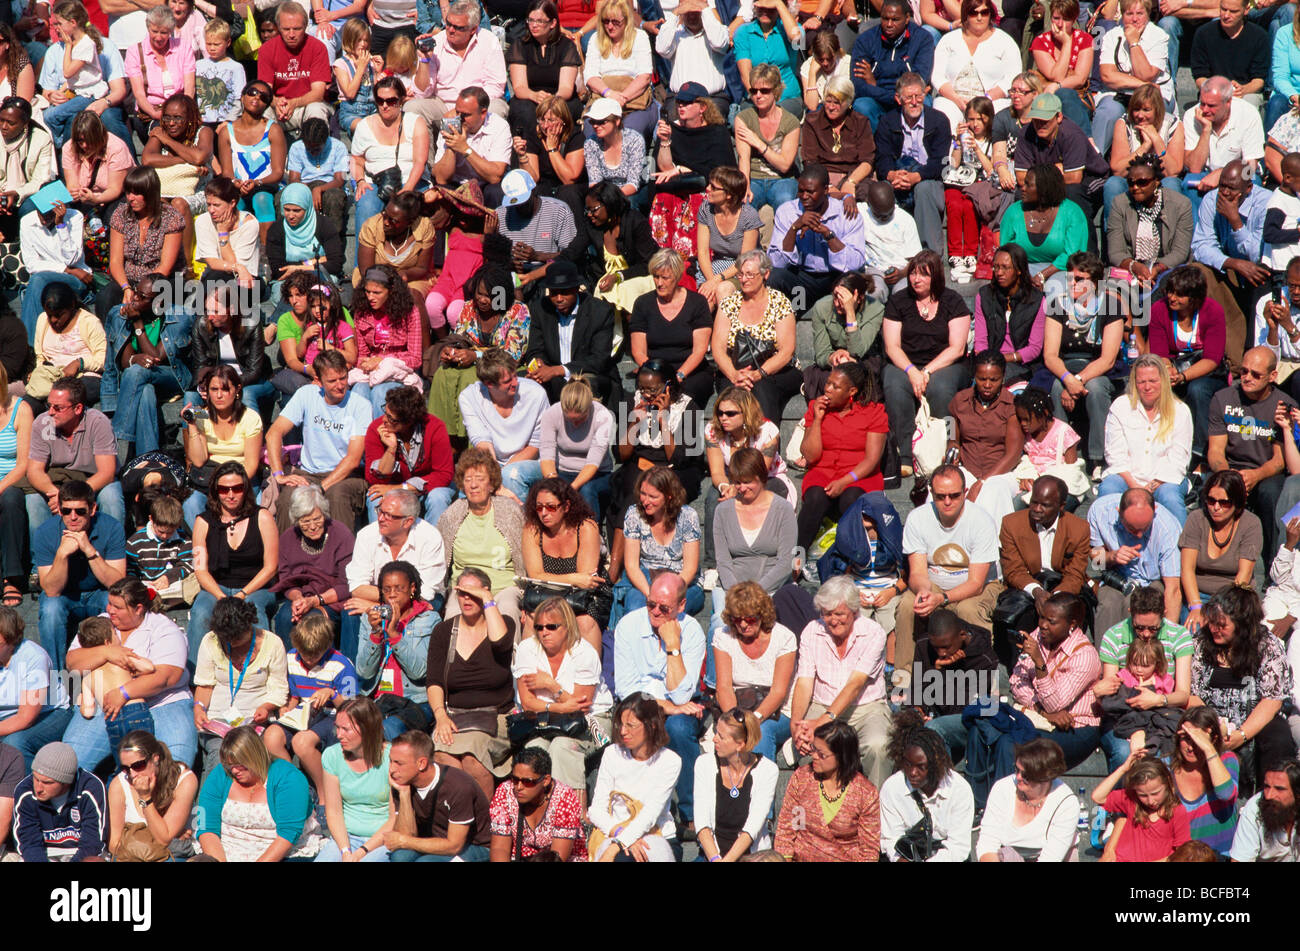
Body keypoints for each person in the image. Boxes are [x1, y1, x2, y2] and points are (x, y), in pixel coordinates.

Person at [63, 578, 197, 775]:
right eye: (109, 603)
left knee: (175, 769)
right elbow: (72, 662)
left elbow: (167, 676)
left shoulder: (164, 628)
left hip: (164, 703)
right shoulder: (100, 623)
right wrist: (107, 653)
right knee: (68, 765)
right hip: (105, 705)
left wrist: (124, 692)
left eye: (117, 606)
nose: (110, 610)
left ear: (139, 608)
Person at [611, 571, 705, 829]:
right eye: (650, 604)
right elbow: (627, 690)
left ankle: (691, 814)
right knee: (636, 722)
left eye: (664, 607)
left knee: (680, 727)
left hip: (677, 706)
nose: (655, 611)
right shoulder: (629, 626)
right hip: (638, 705)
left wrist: (673, 645)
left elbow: (682, 694)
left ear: (682, 606)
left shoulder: (692, 632)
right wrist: (667, 707)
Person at [894, 465, 1001, 676]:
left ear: (965, 491)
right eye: (941, 496)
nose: (948, 502)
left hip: (979, 586)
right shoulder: (918, 518)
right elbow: (917, 573)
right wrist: (925, 592)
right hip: (935, 581)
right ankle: (905, 677)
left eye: (954, 495)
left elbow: (976, 584)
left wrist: (941, 598)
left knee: (968, 610)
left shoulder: (981, 521)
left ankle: (982, 675)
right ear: (932, 494)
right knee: (909, 604)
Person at [1191, 586, 1296, 798]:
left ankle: (1268, 800)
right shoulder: (1201, 643)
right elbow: (1192, 693)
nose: (1213, 629)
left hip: (1255, 720)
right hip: (1210, 718)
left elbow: (1272, 700)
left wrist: (1241, 734)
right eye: (1212, 622)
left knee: (1279, 738)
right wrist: (1213, 725)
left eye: (1221, 625)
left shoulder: (1267, 645)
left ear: (1242, 624)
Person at [789, 575, 890, 787]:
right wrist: (796, 724)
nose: (833, 620)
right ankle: (816, 808)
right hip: (822, 703)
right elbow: (804, 681)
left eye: (839, 614)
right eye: (827, 614)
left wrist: (822, 721)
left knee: (878, 746)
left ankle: (877, 811)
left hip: (866, 707)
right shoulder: (812, 631)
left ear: (854, 611)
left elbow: (856, 684)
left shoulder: (873, 633)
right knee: (809, 744)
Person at [881, 250, 971, 476]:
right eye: (913, 273)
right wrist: (912, 371)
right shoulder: (898, 301)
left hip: (946, 363)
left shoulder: (953, 301)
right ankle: (904, 453)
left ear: (936, 277)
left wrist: (926, 371)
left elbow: (957, 348)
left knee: (940, 387)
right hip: (907, 362)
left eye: (923, 274)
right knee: (894, 382)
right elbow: (892, 346)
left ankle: (941, 450)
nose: (916, 279)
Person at [428, 569, 516, 799]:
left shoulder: (503, 624)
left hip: (495, 716)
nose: (466, 599)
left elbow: (501, 643)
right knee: (442, 758)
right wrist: (440, 716)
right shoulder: (443, 632)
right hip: (454, 716)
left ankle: (485, 827)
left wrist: (487, 599)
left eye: (472, 593)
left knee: (472, 758)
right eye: (461, 593)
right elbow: (435, 681)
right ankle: (460, 820)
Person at [511, 595, 611, 794]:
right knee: (534, 749)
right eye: (539, 627)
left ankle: (573, 813)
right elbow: (528, 703)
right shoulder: (527, 649)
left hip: (590, 720)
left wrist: (551, 685)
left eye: (551, 627)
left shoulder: (584, 653)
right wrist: (560, 706)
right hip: (544, 721)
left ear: (567, 626)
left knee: (562, 748)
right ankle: (538, 815)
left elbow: (581, 706)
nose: (544, 633)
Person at [266, 349, 372, 534]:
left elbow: (353, 459)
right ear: (319, 381)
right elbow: (273, 433)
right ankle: (285, 559)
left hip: (346, 475)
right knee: (288, 497)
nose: (340, 385)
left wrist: (320, 488)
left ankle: (343, 559)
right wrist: (279, 475)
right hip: (308, 472)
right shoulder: (307, 394)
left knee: (336, 495)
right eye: (332, 381)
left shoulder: (360, 405)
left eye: (343, 378)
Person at [1042, 252, 1126, 473]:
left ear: (1095, 282)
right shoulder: (1057, 304)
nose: (1072, 283)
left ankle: (1099, 460)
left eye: (1080, 279)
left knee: (1096, 387)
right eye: (1070, 277)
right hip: (1064, 366)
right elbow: (1050, 355)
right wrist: (1068, 379)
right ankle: (1060, 456)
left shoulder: (1111, 305)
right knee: (1056, 385)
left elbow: (1108, 359)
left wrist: (1077, 381)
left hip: (1098, 367)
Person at [1207, 346, 1294, 560]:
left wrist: (1256, 475)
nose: (1247, 378)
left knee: (1271, 493)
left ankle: (1273, 561)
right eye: (1244, 371)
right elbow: (1215, 451)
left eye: (1256, 374)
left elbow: (1279, 460)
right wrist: (1228, 476)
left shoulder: (1283, 404)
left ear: (1273, 376)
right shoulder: (1223, 398)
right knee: (1213, 489)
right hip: (1231, 467)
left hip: (1265, 471)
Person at [187, 462, 278, 663]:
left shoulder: (262, 517)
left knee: (253, 610)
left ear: (245, 489)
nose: (230, 495)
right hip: (216, 587)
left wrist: (242, 594)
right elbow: (200, 569)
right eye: (224, 489)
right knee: (202, 611)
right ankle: (195, 678)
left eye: (237, 488)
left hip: (255, 586)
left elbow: (271, 567)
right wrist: (221, 597)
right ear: (215, 491)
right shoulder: (203, 522)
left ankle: (264, 670)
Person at [996, 474, 1092, 660]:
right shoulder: (1011, 524)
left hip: (1062, 586)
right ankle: (1021, 667)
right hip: (1027, 585)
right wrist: (1038, 592)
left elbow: (1075, 574)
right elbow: (1013, 569)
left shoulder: (1078, 528)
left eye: (1045, 505)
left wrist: (1054, 600)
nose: (1036, 509)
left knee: (1064, 615)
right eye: (1034, 502)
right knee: (1024, 613)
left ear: (1061, 506)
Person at [33, 480, 125, 672]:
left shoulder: (112, 527)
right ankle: (58, 680)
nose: (73, 517)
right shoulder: (45, 533)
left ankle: (118, 672)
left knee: (120, 602)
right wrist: (61, 554)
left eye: (80, 511)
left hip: (99, 593)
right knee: (50, 609)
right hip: (65, 596)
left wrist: (89, 550)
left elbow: (117, 583)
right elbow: (51, 590)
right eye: (66, 511)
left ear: (92, 509)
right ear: (59, 510)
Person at [194, 725, 320, 861]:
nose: (235, 771)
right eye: (230, 766)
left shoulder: (288, 777)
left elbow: (288, 833)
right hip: (225, 851)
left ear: (256, 756)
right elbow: (206, 826)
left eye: (240, 764)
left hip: (280, 853)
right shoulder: (220, 775)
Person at [193, 597, 289, 774]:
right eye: (226, 639)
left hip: (254, 720)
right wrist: (199, 708)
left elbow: (279, 688)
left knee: (246, 749)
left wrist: (266, 707)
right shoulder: (210, 641)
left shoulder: (272, 644)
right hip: (218, 721)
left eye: (237, 638)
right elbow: (205, 685)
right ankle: (212, 801)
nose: (232, 643)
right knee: (220, 751)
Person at [103, 274, 195, 460]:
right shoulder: (118, 314)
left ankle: (117, 440)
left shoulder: (180, 317)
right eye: (136, 293)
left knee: (139, 371)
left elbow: (155, 358)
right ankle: (148, 461)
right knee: (145, 392)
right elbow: (121, 361)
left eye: (143, 297)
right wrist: (133, 359)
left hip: (172, 377)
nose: (135, 299)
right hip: (139, 379)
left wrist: (137, 325)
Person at [587, 693, 682, 862]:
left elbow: (650, 815)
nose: (623, 731)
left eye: (630, 725)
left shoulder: (670, 761)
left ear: (652, 725)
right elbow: (596, 810)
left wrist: (617, 846)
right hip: (614, 830)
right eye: (621, 725)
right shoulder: (612, 753)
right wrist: (620, 835)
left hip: (656, 834)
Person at [25, 377, 124, 536]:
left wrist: (71, 496)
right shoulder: (44, 423)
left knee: (111, 495)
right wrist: (56, 493)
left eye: (58, 408)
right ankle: (43, 558)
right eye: (49, 406)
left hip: (93, 481)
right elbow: (34, 471)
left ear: (77, 408)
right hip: (58, 480)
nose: (51, 412)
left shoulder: (98, 422)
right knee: (34, 500)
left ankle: (112, 553)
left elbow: (107, 473)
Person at [711, 250, 800, 425]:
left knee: (763, 389)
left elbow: (786, 351)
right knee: (731, 396)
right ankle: (729, 447)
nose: (743, 279)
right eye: (741, 274)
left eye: (750, 274)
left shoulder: (780, 302)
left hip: (774, 369)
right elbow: (718, 349)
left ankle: (765, 446)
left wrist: (757, 374)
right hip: (735, 368)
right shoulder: (729, 304)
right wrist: (734, 375)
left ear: (765, 274)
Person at [766, 164, 867, 315]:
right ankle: (792, 318)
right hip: (802, 283)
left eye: (810, 192)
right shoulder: (787, 211)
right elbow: (776, 263)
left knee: (852, 280)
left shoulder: (847, 213)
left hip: (835, 279)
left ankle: (847, 325)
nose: (804, 196)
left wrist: (828, 234)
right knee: (776, 277)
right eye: (801, 191)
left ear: (826, 190)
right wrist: (794, 228)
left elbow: (855, 263)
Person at [774, 719, 880, 862]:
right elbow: (787, 829)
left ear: (842, 756)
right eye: (814, 749)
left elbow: (869, 852)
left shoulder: (866, 793)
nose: (814, 756)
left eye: (822, 754)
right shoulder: (802, 778)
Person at [269, 485, 356, 653]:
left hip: (333, 599)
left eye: (317, 519)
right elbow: (286, 579)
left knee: (314, 620)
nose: (313, 526)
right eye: (305, 521)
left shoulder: (341, 534)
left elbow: (347, 584)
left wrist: (315, 601)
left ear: (324, 514)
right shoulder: (288, 537)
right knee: (286, 617)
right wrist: (298, 599)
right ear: (296, 520)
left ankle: (327, 671)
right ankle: (291, 669)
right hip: (304, 598)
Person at [384, 728, 492, 862]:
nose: (392, 769)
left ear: (421, 764)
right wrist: (404, 794)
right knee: (400, 857)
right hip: (432, 841)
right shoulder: (402, 781)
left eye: (399, 763)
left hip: (475, 847)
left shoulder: (458, 785)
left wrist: (404, 841)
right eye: (391, 761)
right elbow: (405, 836)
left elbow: (454, 846)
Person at [879, 711, 974, 862]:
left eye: (921, 766)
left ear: (936, 764)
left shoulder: (959, 789)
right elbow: (891, 839)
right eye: (908, 764)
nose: (912, 772)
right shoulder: (892, 788)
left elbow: (958, 848)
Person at [521, 480, 606, 648]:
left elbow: (586, 581)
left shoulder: (586, 527)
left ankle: (589, 673)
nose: (544, 513)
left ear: (566, 506)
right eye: (539, 507)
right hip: (546, 593)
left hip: (584, 597)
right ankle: (527, 672)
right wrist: (573, 578)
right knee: (532, 619)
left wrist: (575, 580)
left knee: (584, 622)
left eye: (551, 507)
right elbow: (535, 575)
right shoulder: (532, 529)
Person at [457, 348, 548, 503]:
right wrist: (492, 475)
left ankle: (523, 523)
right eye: (508, 381)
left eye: (515, 376)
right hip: (492, 461)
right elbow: (482, 441)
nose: (515, 383)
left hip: (531, 462)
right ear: (489, 384)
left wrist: (499, 476)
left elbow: (535, 446)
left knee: (512, 475)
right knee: (470, 485)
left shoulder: (535, 393)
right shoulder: (469, 397)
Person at [522, 260, 618, 405]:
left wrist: (558, 370)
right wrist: (538, 364)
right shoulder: (539, 309)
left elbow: (599, 360)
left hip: (590, 376)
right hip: (553, 379)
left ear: (576, 289)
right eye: (554, 293)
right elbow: (535, 349)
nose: (559, 299)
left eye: (565, 292)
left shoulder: (600, 311)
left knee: (584, 386)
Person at [179, 364, 263, 530]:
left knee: (258, 512)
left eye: (225, 390)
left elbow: (252, 465)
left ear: (237, 390)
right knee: (191, 503)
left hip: (243, 479)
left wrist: (229, 486)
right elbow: (198, 460)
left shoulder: (250, 418)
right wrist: (193, 425)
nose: (218, 395)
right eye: (213, 389)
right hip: (211, 479)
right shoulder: (201, 415)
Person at [628, 250, 714, 411]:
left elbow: (699, 350)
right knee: (645, 399)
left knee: (685, 399)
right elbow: (638, 351)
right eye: (656, 277)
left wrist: (678, 376)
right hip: (653, 371)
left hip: (690, 372)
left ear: (677, 276)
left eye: (665, 278)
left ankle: (683, 435)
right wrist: (657, 376)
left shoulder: (697, 303)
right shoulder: (643, 304)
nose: (659, 283)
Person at [692, 707, 779, 863]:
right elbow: (702, 823)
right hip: (712, 855)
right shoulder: (704, 764)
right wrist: (715, 859)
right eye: (716, 732)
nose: (714, 739)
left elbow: (752, 828)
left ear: (740, 745)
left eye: (721, 736)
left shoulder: (768, 770)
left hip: (750, 857)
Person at [1180, 470, 1261, 633]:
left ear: (1237, 503)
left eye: (1224, 502)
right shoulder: (1197, 519)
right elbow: (1187, 569)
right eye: (1211, 500)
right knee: (1194, 630)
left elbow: (1243, 577)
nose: (1216, 507)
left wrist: (1220, 610)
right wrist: (1196, 607)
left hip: (1234, 597)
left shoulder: (1251, 524)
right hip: (1197, 594)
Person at [313, 697, 393, 863]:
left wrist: (362, 852)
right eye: (337, 728)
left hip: (384, 839)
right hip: (346, 837)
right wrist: (345, 850)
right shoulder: (332, 755)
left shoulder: (392, 758)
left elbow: (395, 817)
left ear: (367, 729)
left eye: (346, 729)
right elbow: (334, 810)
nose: (339, 735)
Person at [946, 350, 1021, 526]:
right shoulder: (961, 399)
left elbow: (1013, 455)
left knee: (991, 492)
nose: (987, 384)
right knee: (944, 486)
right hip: (968, 468)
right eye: (982, 379)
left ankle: (993, 547)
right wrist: (952, 445)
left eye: (993, 380)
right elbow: (950, 422)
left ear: (1002, 378)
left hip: (1001, 473)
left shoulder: (1011, 405)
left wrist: (982, 482)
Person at [976, 737, 1081, 861]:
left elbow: (1051, 858)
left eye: (1026, 775)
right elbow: (987, 842)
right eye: (1017, 770)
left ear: (1045, 777)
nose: (1018, 777)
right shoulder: (1002, 788)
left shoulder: (1067, 803)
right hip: (1007, 855)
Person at [1092, 0, 1174, 158]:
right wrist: (1143, 84)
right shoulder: (1112, 36)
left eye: (1140, 14)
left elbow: (1146, 74)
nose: (1135, 19)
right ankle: (1096, 161)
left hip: (1154, 94)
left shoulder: (1159, 36)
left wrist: (1133, 43)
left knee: (1149, 108)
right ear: (1122, 16)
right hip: (1119, 92)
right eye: (1129, 14)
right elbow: (1107, 75)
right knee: (1109, 110)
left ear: (1148, 14)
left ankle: (1152, 159)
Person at [351, 78, 432, 237]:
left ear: (401, 100)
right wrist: (360, 180)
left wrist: (407, 188)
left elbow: (420, 162)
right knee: (366, 205)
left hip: (412, 180)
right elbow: (356, 159)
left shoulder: (415, 122)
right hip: (376, 182)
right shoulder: (364, 125)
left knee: (414, 207)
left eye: (391, 100)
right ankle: (362, 261)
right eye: (380, 101)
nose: (385, 105)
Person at [1106, 151, 1195, 293]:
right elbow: (1116, 252)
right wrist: (1134, 266)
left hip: (1167, 268)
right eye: (1131, 182)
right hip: (1131, 267)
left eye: (1142, 182)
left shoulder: (1181, 205)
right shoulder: (1120, 203)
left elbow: (1180, 252)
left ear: (1156, 182)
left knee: (1166, 287)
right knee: (1112, 289)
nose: (1135, 187)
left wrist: (1156, 269)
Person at [102, 167, 184, 318]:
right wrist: (126, 288)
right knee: (106, 296)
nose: (130, 198)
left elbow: (165, 266)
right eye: (128, 193)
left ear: (150, 193)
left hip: (160, 280)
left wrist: (141, 293)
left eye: (136, 193)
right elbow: (115, 261)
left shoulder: (171, 217)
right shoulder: (121, 214)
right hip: (128, 280)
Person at [1103, 85, 1188, 230]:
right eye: (1136, 109)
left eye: (1146, 110)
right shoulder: (1124, 124)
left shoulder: (1174, 125)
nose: (1140, 115)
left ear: (1158, 110)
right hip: (1132, 184)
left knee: (1172, 184)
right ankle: (1115, 240)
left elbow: (1173, 171)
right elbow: (1118, 170)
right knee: (1113, 184)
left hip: (1160, 183)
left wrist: (1156, 139)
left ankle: (1169, 240)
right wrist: (1144, 147)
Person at [929, 0, 1019, 134]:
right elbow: (937, 76)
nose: (979, 17)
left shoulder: (1005, 41)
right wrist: (957, 99)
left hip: (991, 101)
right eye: (973, 13)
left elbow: (1013, 77)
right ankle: (950, 154)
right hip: (954, 99)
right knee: (943, 112)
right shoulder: (949, 39)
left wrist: (985, 100)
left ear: (990, 14)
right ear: (965, 14)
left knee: (1000, 115)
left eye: (984, 12)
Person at [106, 730, 197, 862]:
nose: (132, 774)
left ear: (155, 758)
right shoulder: (118, 784)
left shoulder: (184, 780)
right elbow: (114, 844)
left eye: (138, 765)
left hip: (170, 857)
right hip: (132, 858)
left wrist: (145, 798)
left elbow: (163, 839)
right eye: (125, 768)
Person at [0, 608, 72, 771]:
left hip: (50, 713)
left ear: (11, 642)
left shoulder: (33, 657)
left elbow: (25, 718)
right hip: (8, 715)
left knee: (14, 744)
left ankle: (27, 791)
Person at [216, 81, 287, 243]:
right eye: (252, 92)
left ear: (267, 105)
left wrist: (256, 182)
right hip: (237, 186)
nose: (257, 97)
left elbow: (277, 172)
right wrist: (236, 183)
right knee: (235, 203)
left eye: (263, 97)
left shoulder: (273, 129)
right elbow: (227, 172)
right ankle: (236, 255)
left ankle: (266, 255)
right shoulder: (227, 132)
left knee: (261, 198)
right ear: (242, 97)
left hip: (267, 186)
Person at [488, 746, 588, 862]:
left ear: (545, 780)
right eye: (515, 780)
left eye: (528, 782)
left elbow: (558, 857)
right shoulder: (505, 792)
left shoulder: (564, 798)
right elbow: (499, 848)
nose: (519, 787)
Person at [12, 740, 106, 861]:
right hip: (44, 853)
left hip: (80, 853)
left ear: (66, 782)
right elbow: (29, 844)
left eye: (47, 783)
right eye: (36, 778)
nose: (38, 788)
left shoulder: (90, 788)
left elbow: (93, 843)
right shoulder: (25, 790)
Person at [350, 265, 424, 416]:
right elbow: (362, 354)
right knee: (358, 390)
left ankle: (381, 436)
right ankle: (362, 436)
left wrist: (381, 360)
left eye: (377, 292)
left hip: (397, 370)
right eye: (367, 291)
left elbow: (415, 359)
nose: (370, 297)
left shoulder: (410, 312)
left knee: (380, 392)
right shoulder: (361, 313)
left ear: (390, 292)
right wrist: (365, 363)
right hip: (371, 370)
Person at [20, 200, 95, 346]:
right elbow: (32, 264)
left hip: (75, 280)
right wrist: (67, 270)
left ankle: (27, 347)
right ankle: (29, 347)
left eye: (49, 213)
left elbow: (72, 258)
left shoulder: (75, 217)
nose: (43, 218)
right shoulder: (27, 222)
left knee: (38, 280)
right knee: (38, 280)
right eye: (40, 212)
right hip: (63, 274)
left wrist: (61, 224)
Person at [1167, 706, 1240, 857]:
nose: (1190, 747)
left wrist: (1208, 748)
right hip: (1183, 856)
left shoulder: (1227, 760)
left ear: (1213, 739)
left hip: (1221, 855)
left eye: (1196, 740)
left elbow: (1226, 794)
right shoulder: (1166, 767)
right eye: (1186, 738)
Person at [848, 0, 935, 125]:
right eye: (885, 18)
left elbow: (920, 80)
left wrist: (876, 85)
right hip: (877, 100)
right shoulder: (865, 40)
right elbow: (858, 85)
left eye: (895, 19)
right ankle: (874, 144)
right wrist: (892, 97)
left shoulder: (922, 39)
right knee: (862, 105)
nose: (889, 24)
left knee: (924, 102)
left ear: (907, 18)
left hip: (908, 99)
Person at [1093, 752, 1191, 861]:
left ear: (1168, 782)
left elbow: (1182, 853)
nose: (1150, 801)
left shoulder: (1177, 811)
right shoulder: (1132, 800)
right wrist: (1123, 769)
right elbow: (1098, 797)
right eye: (1143, 795)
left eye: (1155, 793)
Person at [582, 0, 656, 143]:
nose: (610, 26)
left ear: (627, 21)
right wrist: (609, 94)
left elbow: (644, 76)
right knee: (593, 131)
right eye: (606, 21)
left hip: (634, 101)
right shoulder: (596, 39)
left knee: (630, 133)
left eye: (616, 22)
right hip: (603, 98)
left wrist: (622, 98)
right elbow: (590, 76)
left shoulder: (639, 37)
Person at [733, 63, 800, 222]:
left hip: (781, 179)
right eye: (753, 91)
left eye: (764, 91)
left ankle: (785, 247)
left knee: (785, 202)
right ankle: (750, 247)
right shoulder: (744, 118)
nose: (758, 95)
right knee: (745, 205)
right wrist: (745, 186)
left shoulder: (790, 122)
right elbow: (743, 158)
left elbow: (784, 165)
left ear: (775, 91)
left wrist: (759, 143)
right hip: (754, 177)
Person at [802, 76, 875, 218]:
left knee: (870, 194)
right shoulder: (812, 121)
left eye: (837, 103)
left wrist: (851, 182)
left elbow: (868, 160)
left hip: (854, 175)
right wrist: (827, 186)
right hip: (824, 175)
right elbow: (809, 161)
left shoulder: (860, 121)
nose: (830, 107)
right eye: (828, 101)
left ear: (848, 103)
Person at [257, 1, 333, 138]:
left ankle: (317, 156)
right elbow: (265, 90)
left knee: (316, 110)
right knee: (263, 110)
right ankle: (269, 157)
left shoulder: (317, 48)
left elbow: (318, 93)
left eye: (297, 29)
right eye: (286, 29)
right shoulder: (266, 50)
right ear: (278, 27)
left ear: (305, 26)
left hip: (307, 105)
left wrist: (294, 103)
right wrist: (277, 103)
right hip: (279, 108)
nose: (291, 34)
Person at [973, 245, 1046, 385]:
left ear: (1019, 270)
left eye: (1005, 267)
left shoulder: (1037, 300)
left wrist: (1005, 358)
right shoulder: (984, 296)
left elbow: (1034, 348)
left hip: (1022, 364)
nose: (999, 272)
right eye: (996, 267)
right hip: (988, 362)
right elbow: (980, 341)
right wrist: (989, 361)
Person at [803, 273, 883, 399]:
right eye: (835, 297)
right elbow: (821, 354)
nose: (837, 303)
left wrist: (850, 311)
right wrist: (833, 357)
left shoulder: (875, 309)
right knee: (826, 379)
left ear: (859, 297)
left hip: (863, 361)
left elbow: (857, 352)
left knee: (859, 379)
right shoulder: (822, 307)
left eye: (843, 299)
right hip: (834, 361)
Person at [506, 0, 581, 132]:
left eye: (540, 21)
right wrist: (533, 95)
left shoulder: (566, 46)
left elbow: (566, 88)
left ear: (552, 23)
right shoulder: (520, 45)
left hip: (560, 97)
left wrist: (552, 101)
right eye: (531, 20)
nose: (534, 25)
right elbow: (519, 87)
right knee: (523, 110)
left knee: (565, 110)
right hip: (529, 96)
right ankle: (530, 150)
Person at [27, 282, 105, 406]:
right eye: (49, 315)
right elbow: (40, 356)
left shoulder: (89, 322)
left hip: (83, 376)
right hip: (52, 376)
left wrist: (79, 363)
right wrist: (38, 372)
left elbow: (103, 359)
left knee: (65, 398)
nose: (53, 320)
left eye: (58, 315)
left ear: (71, 306)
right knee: (27, 404)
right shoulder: (42, 320)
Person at [431, 86, 512, 200]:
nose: (459, 118)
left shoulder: (499, 127)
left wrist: (465, 149)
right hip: (456, 184)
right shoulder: (450, 122)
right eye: (457, 112)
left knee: (496, 192)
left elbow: (495, 176)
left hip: (485, 185)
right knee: (440, 190)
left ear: (483, 113)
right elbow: (441, 178)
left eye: (465, 115)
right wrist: (452, 146)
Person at [123, 4, 194, 133]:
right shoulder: (134, 52)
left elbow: (189, 89)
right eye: (154, 31)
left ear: (171, 31)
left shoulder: (183, 47)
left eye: (164, 32)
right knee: (162, 132)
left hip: (180, 111)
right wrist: (156, 114)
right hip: (150, 114)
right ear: (148, 28)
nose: (159, 37)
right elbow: (139, 94)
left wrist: (181, 113)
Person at [512, 93, 586, 216]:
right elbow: (532, 179)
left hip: (571, 188)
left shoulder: (575, 136)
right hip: (545, 185)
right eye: (541, 120)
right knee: (537, 191)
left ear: (563, 121)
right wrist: (522, 156)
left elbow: (569, 178)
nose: (545, 126)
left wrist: (552, 149)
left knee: (568, 192)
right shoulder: (533, 135)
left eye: (551, 120)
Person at [1029, 0, 1094, 135]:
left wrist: (1057, 86)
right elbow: (1056, 75)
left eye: (1066, 19)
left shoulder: (1085, 39)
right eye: (1056, 18)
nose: (1060, 24)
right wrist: (1067, 43)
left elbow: (1080, 79)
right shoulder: (1040, 42)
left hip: (1077, 96)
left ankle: (1084, 143)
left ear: (1075, 18)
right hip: (1047, 97)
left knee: (1065, 93)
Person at [265, 181, 343, 290]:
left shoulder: (324, 225)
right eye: (287, 209)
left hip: (319, 277)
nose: (291, 216)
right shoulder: (276, 229)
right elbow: (279, 270)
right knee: (280, 292)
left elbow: (335, 264)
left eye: (297, 211)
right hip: (288, 280)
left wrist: (298, 267)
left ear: (307, 208)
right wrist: (317, 261)